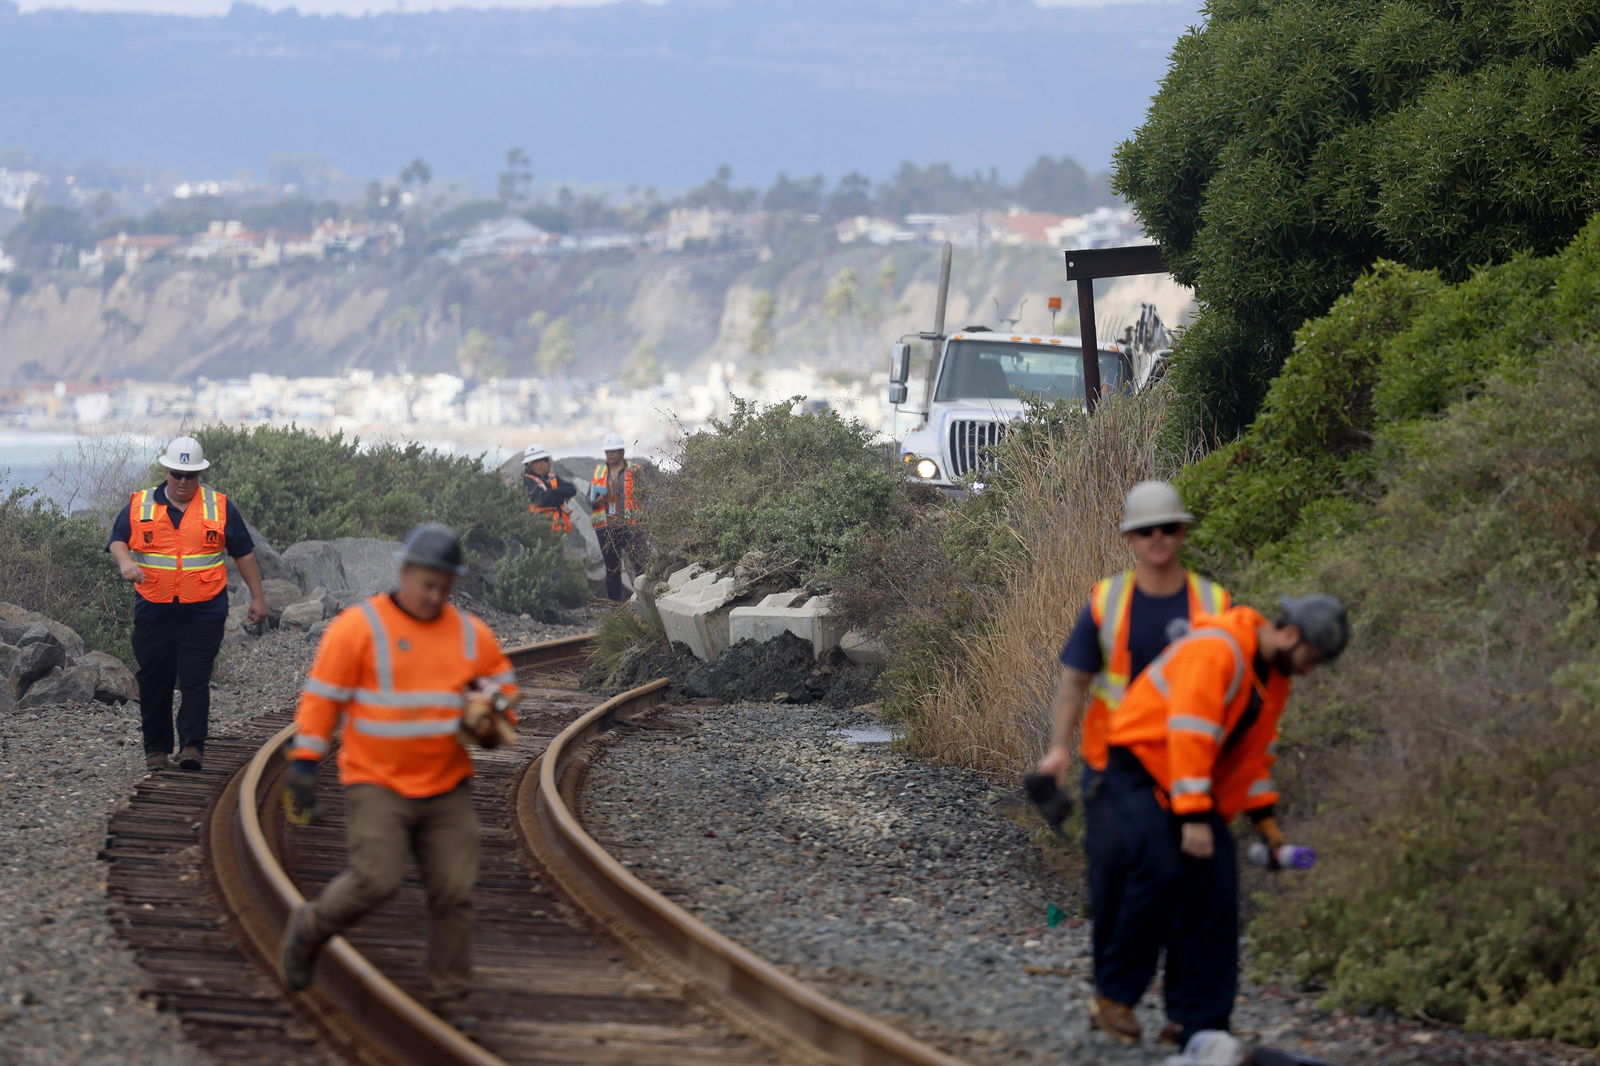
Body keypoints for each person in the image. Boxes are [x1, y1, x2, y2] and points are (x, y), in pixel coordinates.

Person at [277, 522, 519, 1032]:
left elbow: (505, 691)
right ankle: (311, 926)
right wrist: (304, 763)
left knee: (454, 890)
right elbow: (322, 699)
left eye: (445, 588)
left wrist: (494, 713)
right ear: (405, 572)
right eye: (427, 584)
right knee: (377, 879)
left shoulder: (470, 634)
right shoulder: (358, 628)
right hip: (376, 781)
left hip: (447, 783)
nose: (435, 596)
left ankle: (452, 1000)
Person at [1088, 593, 1350, 1049]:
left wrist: (1265, 823)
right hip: (1141, 765)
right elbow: (1189, 734)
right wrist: (1191, 818)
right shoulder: (1218, 649)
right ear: (1291, 635)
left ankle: (1198, 1023)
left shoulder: (1273, 675)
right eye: (1313, 658)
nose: (1311, 670)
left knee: (1216, 892)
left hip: (1190, 782)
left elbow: (1250, 759)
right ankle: (1115, 999)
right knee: (1161, 871)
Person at [1034, 480, 1229, 1041]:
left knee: (1185, 882)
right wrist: (1056, 751)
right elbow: (1074, 683)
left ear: (1183, 533)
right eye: (1147, 531)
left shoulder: (1212, 604)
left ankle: (1178, 1010)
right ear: (1130, 539)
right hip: (1114, 768)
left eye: (1169, 528)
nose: (1159, 539)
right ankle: (1112, 995)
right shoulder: (1107, 601)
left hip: (1186, 768)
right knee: (1114, 880)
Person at [106, 435, 268, 772]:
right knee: (155, 680)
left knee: (195, 679)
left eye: (190, 475)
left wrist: (258, 597)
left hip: (204, 609)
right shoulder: (140, 505)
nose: (182, 482)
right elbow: (118, 539)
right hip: (154, 607)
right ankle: (157, 750)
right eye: (177, 474)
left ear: (200, 475)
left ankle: (192, 747)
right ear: (167, 471)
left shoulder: (220, 506)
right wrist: (125, 562)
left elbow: (243, 553)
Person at [589, 431, 646, 601]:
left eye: (613, 451)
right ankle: (615, 609)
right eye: (607, 452)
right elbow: (589, 497)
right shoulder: (599, 472)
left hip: (631, 526)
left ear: (622, 452)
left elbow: (645, 495)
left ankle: (645, 604)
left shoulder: (634, 470)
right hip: (606, 528)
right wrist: (596, 501)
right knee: (612, 569)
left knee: (640, 567)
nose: (610, 455)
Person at [521, 443, 576, 534]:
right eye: (546, 460)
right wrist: (561, 496)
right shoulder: (528, 481)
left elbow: (572, 490)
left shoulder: (551, 477)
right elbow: (542, 501)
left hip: (558, 530)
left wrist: (552, 492)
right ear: (536, 464)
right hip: (541, 532)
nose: (549, 463)